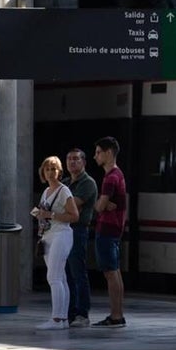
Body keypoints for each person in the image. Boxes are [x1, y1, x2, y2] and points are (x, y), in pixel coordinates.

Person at [32, 155, 80, 330]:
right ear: (43, 172)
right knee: (60, 277)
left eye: (54, 169)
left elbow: (74, 216)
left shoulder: (64, 191)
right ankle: (63, 319)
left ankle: (57, 319)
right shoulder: (46, 192)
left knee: (53, 277)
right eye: (47, 169)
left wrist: (50, 215)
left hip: (61, 234)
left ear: (59, 172)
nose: (51, 172)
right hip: (48, 235)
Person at [91, 136, 128, 328]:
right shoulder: (119, 175)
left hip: (106, 229)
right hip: (115, 229)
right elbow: (106, 204)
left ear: (108, 153)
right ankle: (117, 314)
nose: (95, 156)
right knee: (115, 272)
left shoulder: (110, 178)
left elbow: (98, 207)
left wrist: (101, 204)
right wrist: (106, 204)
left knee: (110, 273)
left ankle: (115, 316)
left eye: (98, 152)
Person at [63, 148, 97, 328]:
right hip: (64, 230)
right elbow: (56, 203)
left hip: (78, 231)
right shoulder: (66, 182)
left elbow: (71, 205)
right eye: (69, 159)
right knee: (66, 274)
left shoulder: (88, 183)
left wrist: (60, 207)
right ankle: (69, 313)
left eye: (76, 159)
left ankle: (82, 313)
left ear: (84, 162)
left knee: (78, 272)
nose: (72, 162)